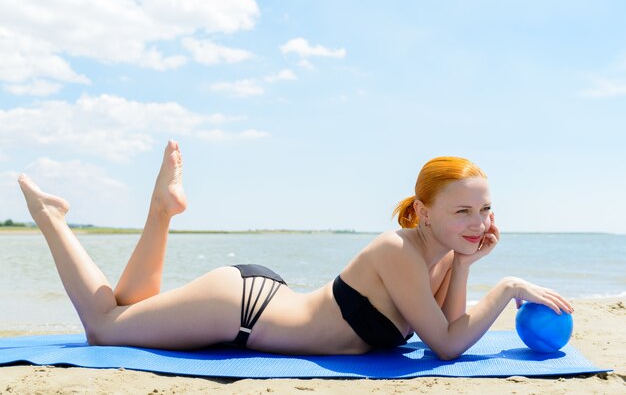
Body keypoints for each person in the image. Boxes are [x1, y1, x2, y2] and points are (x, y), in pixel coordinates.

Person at [18, 140, 573, 359]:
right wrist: (508, 286)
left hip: (268, 297)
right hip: (241, 309)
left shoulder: (447, 254)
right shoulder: (396, 250)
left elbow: (445, 330)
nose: (479, 223)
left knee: (127, 304)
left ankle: (163, 210)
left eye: (484, 209)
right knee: (104, 326)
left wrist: (469, 265)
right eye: (463, 211)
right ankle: (52, 219)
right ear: (424, 212)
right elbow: (449, 346)